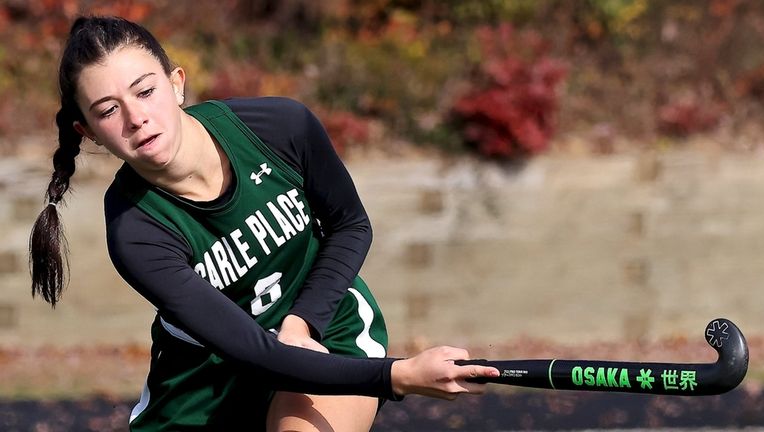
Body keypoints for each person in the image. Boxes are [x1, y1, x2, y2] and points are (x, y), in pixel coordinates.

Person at [28, 15, 499, 431]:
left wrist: (302, 324)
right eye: (108, 111)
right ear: (87, 132)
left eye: (146, 91)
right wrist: (403, 376)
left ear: (176, 83)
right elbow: (255, 353)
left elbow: (350, 225)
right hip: (207, 384)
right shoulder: (135, 229)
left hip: (325, 333)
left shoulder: (279, 126)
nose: (137, 118)